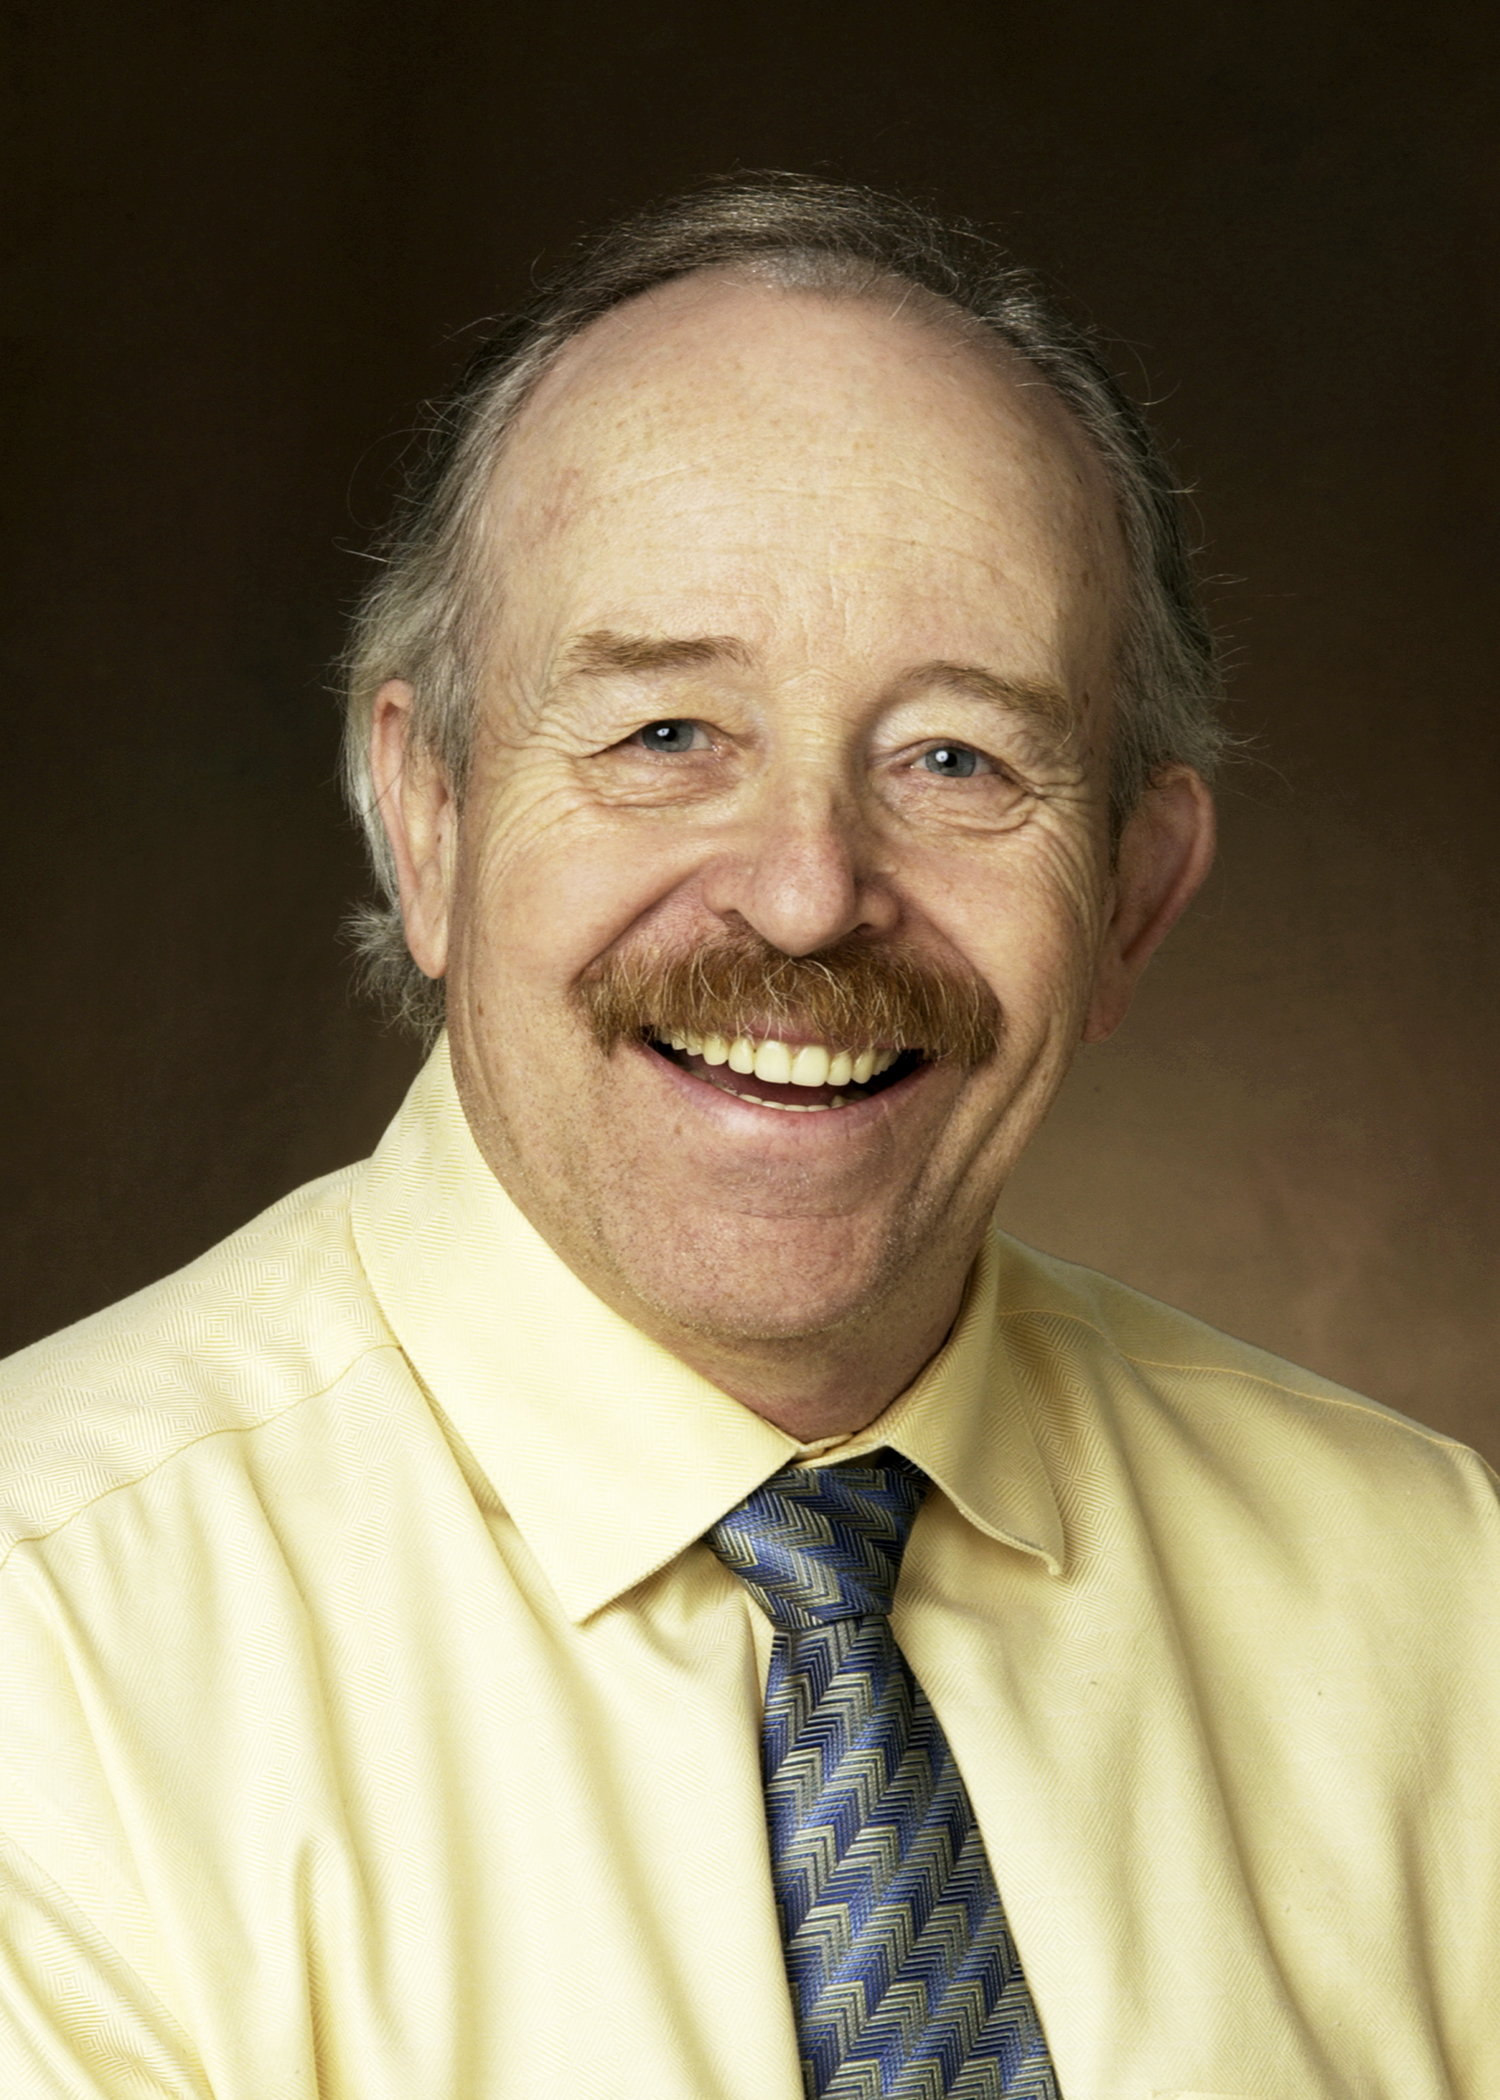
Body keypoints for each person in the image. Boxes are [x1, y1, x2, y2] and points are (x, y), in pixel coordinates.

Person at [1, 175, 1495, 2100]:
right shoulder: (47, 1660)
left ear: (1133, 898)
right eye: (663, 736)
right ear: (428, 818)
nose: (804, 894)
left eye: (955, 757)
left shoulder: (1431, 1598)